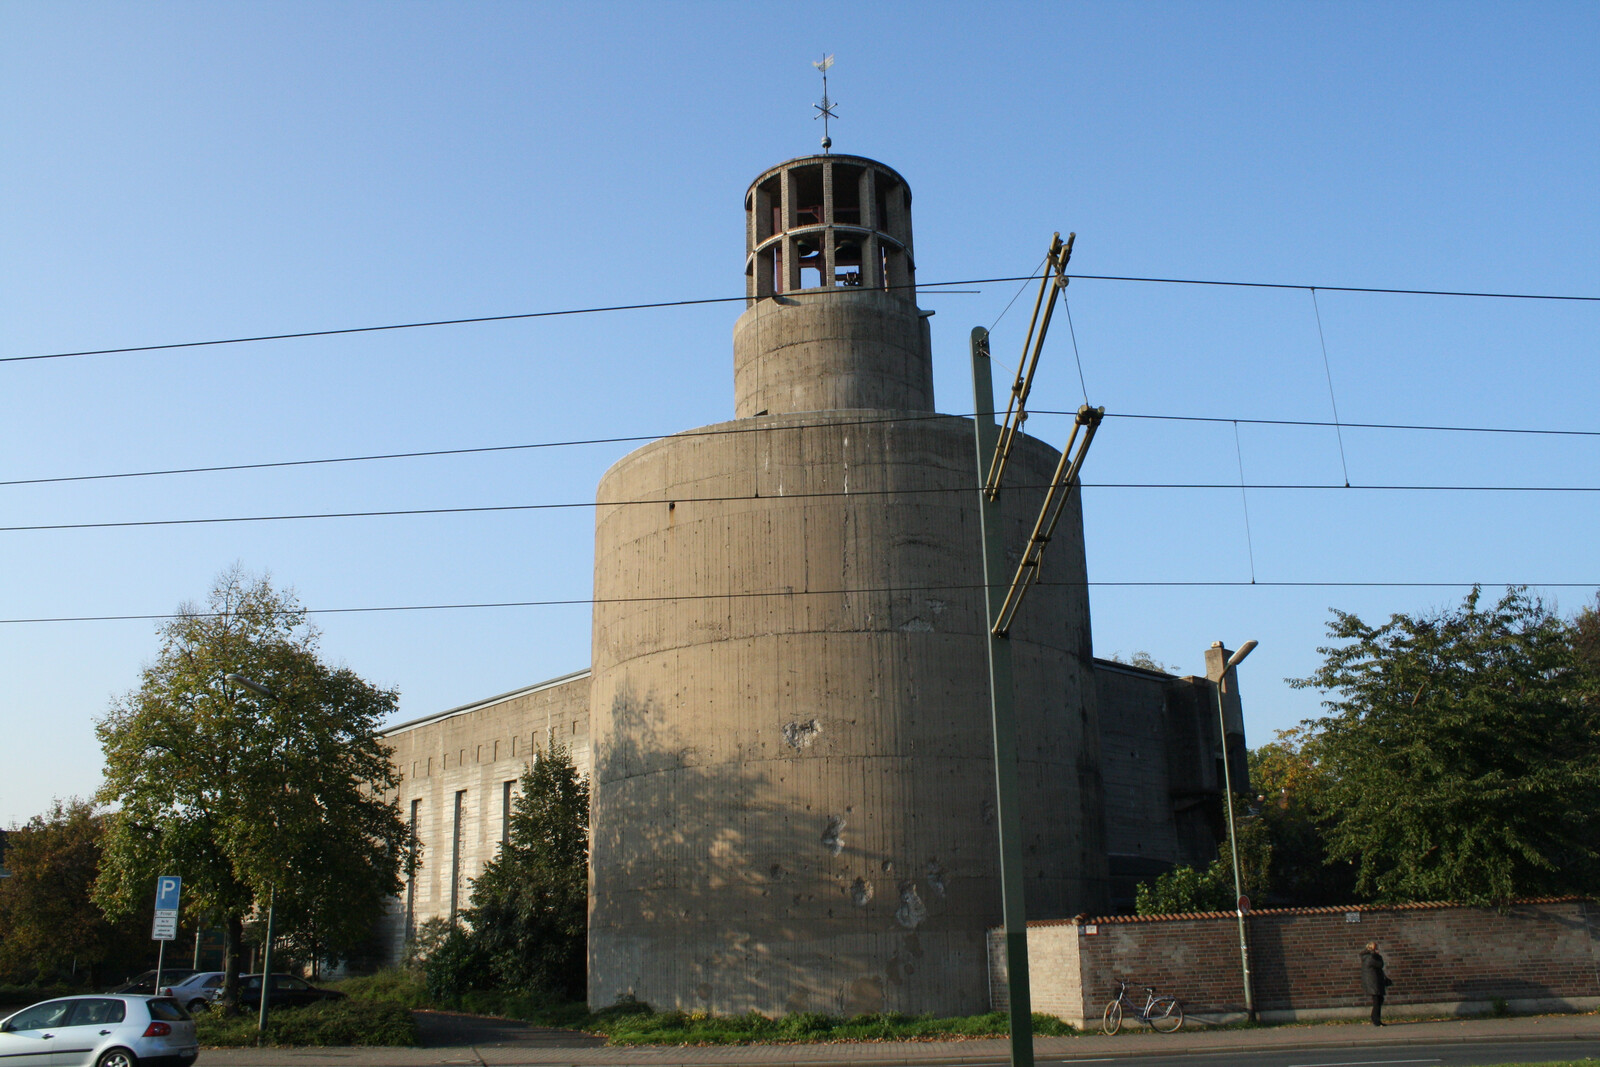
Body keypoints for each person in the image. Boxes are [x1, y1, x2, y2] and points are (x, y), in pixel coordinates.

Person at [1360, 941, 1393, 1025]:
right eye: (1376, 949)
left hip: (1372, 981)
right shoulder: (1371, 957)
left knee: (1378, 999)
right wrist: (1378, 956)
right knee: (1377, 1000)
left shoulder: (1366, 957)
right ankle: (1376, 1019)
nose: (1378, 950)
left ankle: (1375, 1018)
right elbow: (1380, 964)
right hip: (1374, 982)